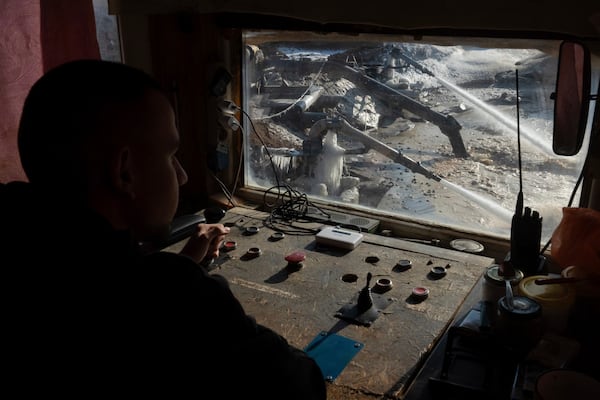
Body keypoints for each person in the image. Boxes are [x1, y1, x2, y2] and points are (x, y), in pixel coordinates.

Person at [1, 59, 326, 399]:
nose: (183, 175)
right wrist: (181, 283)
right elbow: (301, 385)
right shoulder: (170, 298)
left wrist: (180, 265)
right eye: (170, 155)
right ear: (124, 173)